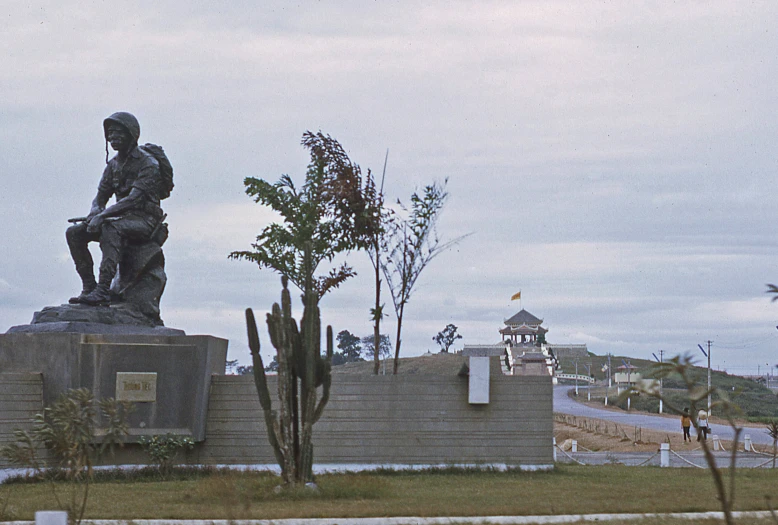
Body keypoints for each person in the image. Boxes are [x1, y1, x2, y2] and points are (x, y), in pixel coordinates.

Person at [66, 112, 165, 306]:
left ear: (131, 134)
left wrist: (103, 216)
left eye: (118, 133)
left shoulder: (148, 163)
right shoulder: (113, 165)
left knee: (111, 229)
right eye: (110, 134)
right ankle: (89, 287)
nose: (113, 138)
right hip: (118, 217)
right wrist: (95, 212)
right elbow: (100, 196)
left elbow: (134, 199)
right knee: (74, 232)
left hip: (145, 220)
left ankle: (103, 290)